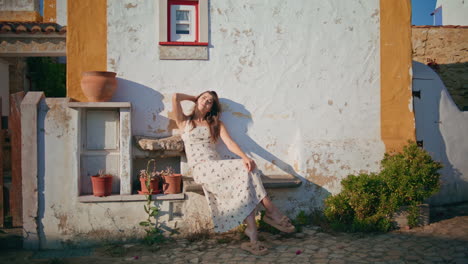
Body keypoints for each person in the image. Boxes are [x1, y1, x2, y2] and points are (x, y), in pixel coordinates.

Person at [172, 91, 295, 256]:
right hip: (202, 169)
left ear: (212, 108)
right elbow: (175, 97)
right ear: (197, 100)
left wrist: (245, 157)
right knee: (244, 168)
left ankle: (253, 238)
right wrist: (195, 98)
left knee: (247, 175)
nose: (206, 102)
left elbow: (229, 143)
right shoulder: (184, 122)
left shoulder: (216, 124)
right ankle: (271, 211)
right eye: (204, 99)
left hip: (217, 166)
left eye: (210, 102)